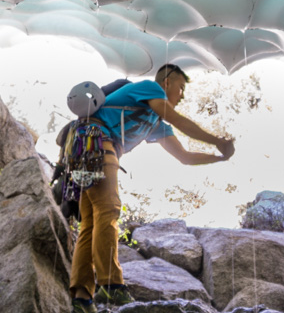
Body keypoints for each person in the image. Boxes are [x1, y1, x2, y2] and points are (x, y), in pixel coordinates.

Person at [68, 63, 236, 310]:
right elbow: (178, 119)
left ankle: (82, 298)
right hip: (96, 144)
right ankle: (111, 285)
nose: (182, 96)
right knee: (109, 210)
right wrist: (218, 141)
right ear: (166, 82)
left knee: (91, 222)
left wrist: (219, 157)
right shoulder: (148, 88)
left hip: (82, 150)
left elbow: (184, 157)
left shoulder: (157, 122)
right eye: (180, 88)